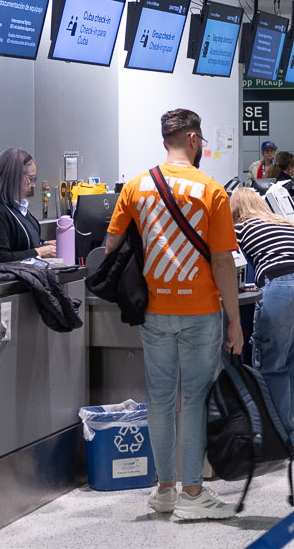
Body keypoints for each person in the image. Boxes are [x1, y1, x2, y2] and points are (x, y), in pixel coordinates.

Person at [100, 108, 245, 522]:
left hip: (155, 311)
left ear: (167, 139)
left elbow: (111, 244)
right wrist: (234, 321)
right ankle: (193, 493)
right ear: (194, 139)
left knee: (160, 401)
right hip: (200, 312)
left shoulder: (136, 186)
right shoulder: (211, 190)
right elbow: (221, 263)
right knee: (195, 400)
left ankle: (164, 489)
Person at [230, 187, 294, 433]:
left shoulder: (239, 228)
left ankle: (270, 438)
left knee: (271, 366)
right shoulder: (285, 223)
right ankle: (287, 434)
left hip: (283, 287)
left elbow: (231, 264)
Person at [0, 147, 53, 265]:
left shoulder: (16, 206)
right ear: (14, 177)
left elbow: (19, 241)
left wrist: (45, 244)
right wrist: (39, 252)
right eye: (30, 179)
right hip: (0, 281)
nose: (33, 185)